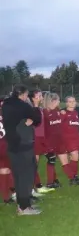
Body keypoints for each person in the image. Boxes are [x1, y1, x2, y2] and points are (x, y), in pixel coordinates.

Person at [1, 85, 41, 215]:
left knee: (18, 176)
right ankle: (24, 208)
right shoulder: (23, 106)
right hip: (23, 145)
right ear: (23, 94)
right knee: (26, 176)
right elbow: (37, 118)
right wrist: (35, 105)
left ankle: (22, 203)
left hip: (12, 145)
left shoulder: (6, 105)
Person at [30, 89, 53, 194]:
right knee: (33, 164)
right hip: (35, 138)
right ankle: (34, 188)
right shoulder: (31, 109)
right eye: (39, 96)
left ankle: (37, 186)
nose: (41, 97)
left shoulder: (39, 108)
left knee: (37, 163)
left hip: (41, 138)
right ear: (33, 98)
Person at [59, 96, 79, 185]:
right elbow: (58, 126)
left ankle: (74, 176)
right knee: (66, 159)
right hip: (65, 139)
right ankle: (72, 177)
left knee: (75, 157)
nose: (72, 103)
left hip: (75, 139)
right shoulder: (63, 112)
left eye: (74, 101)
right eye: (70, 101)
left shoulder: (76, 112)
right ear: (66, 103)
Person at [43, 92, 62, 188]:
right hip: (47, 142)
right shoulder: (44, 112)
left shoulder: (58, 110)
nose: (59, 101)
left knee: (53, 160)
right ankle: (50, 183)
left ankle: (54, 180)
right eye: (58, 100)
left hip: (56, 141)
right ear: (54, 101)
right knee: (51, 159)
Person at [0, 98, 15, 205]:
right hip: (2, 146)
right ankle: (6, 197)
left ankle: (10, 193)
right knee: (4, 171)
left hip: (7, 146)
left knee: (8, 170)